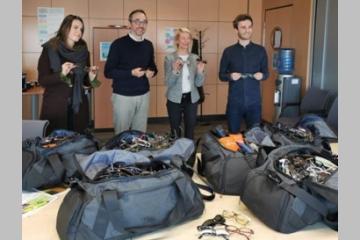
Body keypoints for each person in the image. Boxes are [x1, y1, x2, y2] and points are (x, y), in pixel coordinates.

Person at [38, 14, 101, 135]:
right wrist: (62, 74)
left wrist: (92, 77)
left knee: (77, 142)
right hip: (56, 105)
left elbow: (85, 82)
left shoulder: (83, 52)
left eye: (81, 29)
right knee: (56, 144)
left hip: (78, 106)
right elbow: (43, 80)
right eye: (75, 27)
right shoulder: (50, 49)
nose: (79, 32)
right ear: (65, 28)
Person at [104, 9, 157, 135]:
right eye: (137, 21)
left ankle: (137, 155)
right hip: (123, 96)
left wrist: (152, 72)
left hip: (144, 95)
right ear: (130, 24)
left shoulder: (148, 45)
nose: (141, 25)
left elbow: (153, 66)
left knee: (140, 133)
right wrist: (131, 73)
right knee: (122, 134)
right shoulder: (118, 44)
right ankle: (121, 155)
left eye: (144, 22)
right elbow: (108, 72)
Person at [219, 14, 269, 134]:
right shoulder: (228, 51)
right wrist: (230, 76)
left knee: (254, 136)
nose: (247, 30)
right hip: (235, 103)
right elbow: (221, 75)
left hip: (254, 103)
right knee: (233, 136)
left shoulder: (260, 50)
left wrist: (262, 76)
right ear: (236, 29)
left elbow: (266, 73)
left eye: (249, 27)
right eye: (243, 27)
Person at [164, 27, 206, 139]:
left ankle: (190, 154)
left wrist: (200, 72)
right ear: (177, 40)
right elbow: (168, 83)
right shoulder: (169, 58)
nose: (186, 41)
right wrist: (175, 71)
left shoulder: (195, 58)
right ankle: (176, 153)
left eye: (188, 38)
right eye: (183, 38)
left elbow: (198, 83)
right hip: (174, 98)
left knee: (190, 129)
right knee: (175, 130)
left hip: (191, 99)